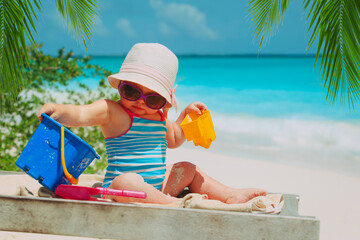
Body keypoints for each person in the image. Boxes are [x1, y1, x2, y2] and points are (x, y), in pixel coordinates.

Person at [38, 43, 266, 204]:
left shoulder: (159, 116)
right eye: (131, 91)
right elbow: (79, 114)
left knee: (187, 168)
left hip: (157, 187)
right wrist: (57, 112)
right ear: (120, 86)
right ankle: (173, 204)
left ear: (164, 100)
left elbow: (174, 138)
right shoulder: (113, 111)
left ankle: (228, 196)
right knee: (126, 179)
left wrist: (186, 115)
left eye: (153, 98)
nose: (140, 102)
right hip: (124, 192)